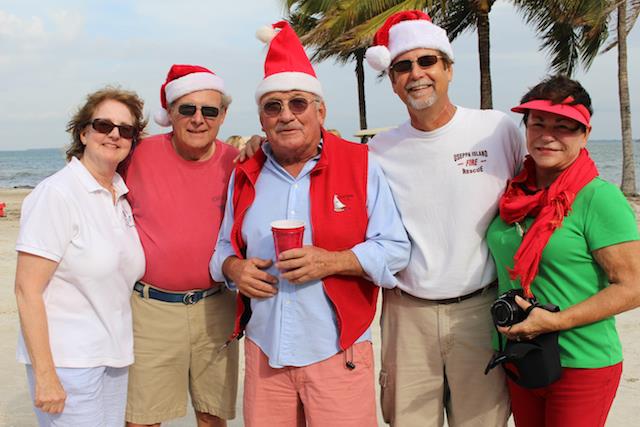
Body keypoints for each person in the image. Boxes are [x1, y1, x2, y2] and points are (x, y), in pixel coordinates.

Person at [210, 21, 410, 426]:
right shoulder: (245, 173)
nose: (286, 115)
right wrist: (234, 269)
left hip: (337, 351)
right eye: (273, 106)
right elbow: (223, 249)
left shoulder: (361, 165)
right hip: (265, 352)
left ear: (321, 111)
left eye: (298, 103)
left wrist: (331, 261)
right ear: (262, 119)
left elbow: (395, 249)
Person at [364, 10, 526, 427]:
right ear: (393, 80)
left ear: (449, 69)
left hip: (482, 309)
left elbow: (535, 198)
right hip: (407, 314)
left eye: (427, 61)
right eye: (403, 66)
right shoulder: (379, 150)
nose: (416, 74)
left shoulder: (497, 130)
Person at [486, 75, 640, 427]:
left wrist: (555, 321)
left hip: (581, 360)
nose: (547, 135)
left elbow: (633, 286)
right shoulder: (513, 193)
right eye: (538, 123)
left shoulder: (599, 197)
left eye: (563, 126)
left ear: (585, 135)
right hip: (521, 354)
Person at [14, 87, 147, 426]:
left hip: (113, 358)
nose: (114, 134)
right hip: (68, 364)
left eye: (125, 129)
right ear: (84, 133)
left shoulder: (120, 195)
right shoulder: (57, 194)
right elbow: (27, 290)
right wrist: (46, 375)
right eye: (104, 125)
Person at [123, 64, 239, 427]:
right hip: (151, 310)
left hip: (217, 307)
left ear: (223, 115)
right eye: (187, 109)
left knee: (212, 415)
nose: (198, 119)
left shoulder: (237, 162)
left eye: (209, 111)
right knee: (142, 419)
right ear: (170, 113)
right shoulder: (136, 154)